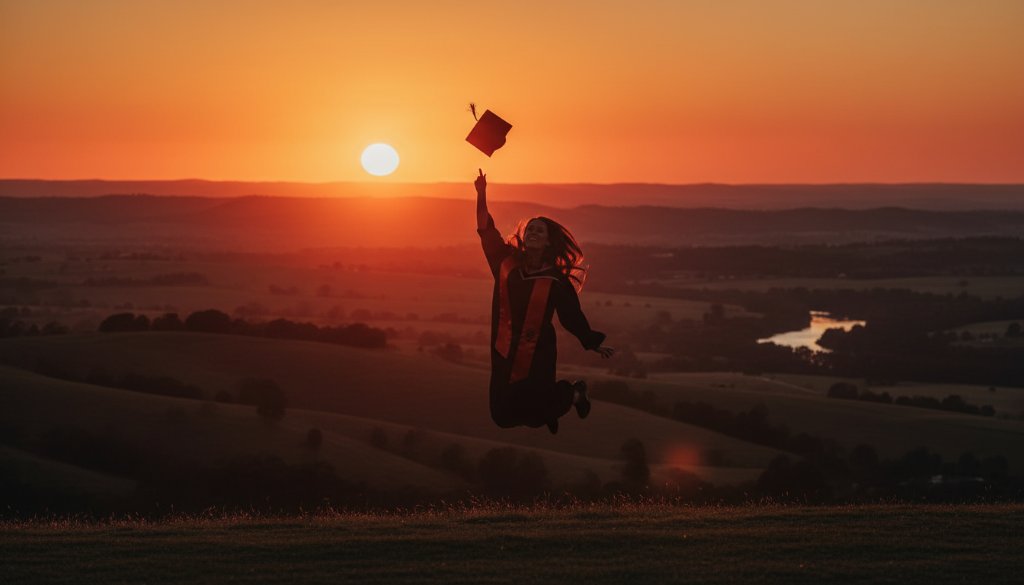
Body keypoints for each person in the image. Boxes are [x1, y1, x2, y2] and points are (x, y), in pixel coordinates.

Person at [475, 170, 614, 434]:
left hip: (537, 352)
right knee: (502, 417)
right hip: (504, 350)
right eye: (530, 229)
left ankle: (572, 394)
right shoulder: (505, 263)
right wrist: (481, 194)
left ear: (549, 241)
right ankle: (555, 407)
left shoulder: (555, 280)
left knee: (535, 410)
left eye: (540, 231)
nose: (533, 233)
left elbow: (571, 315)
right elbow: (485, 230)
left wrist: (592, 342)